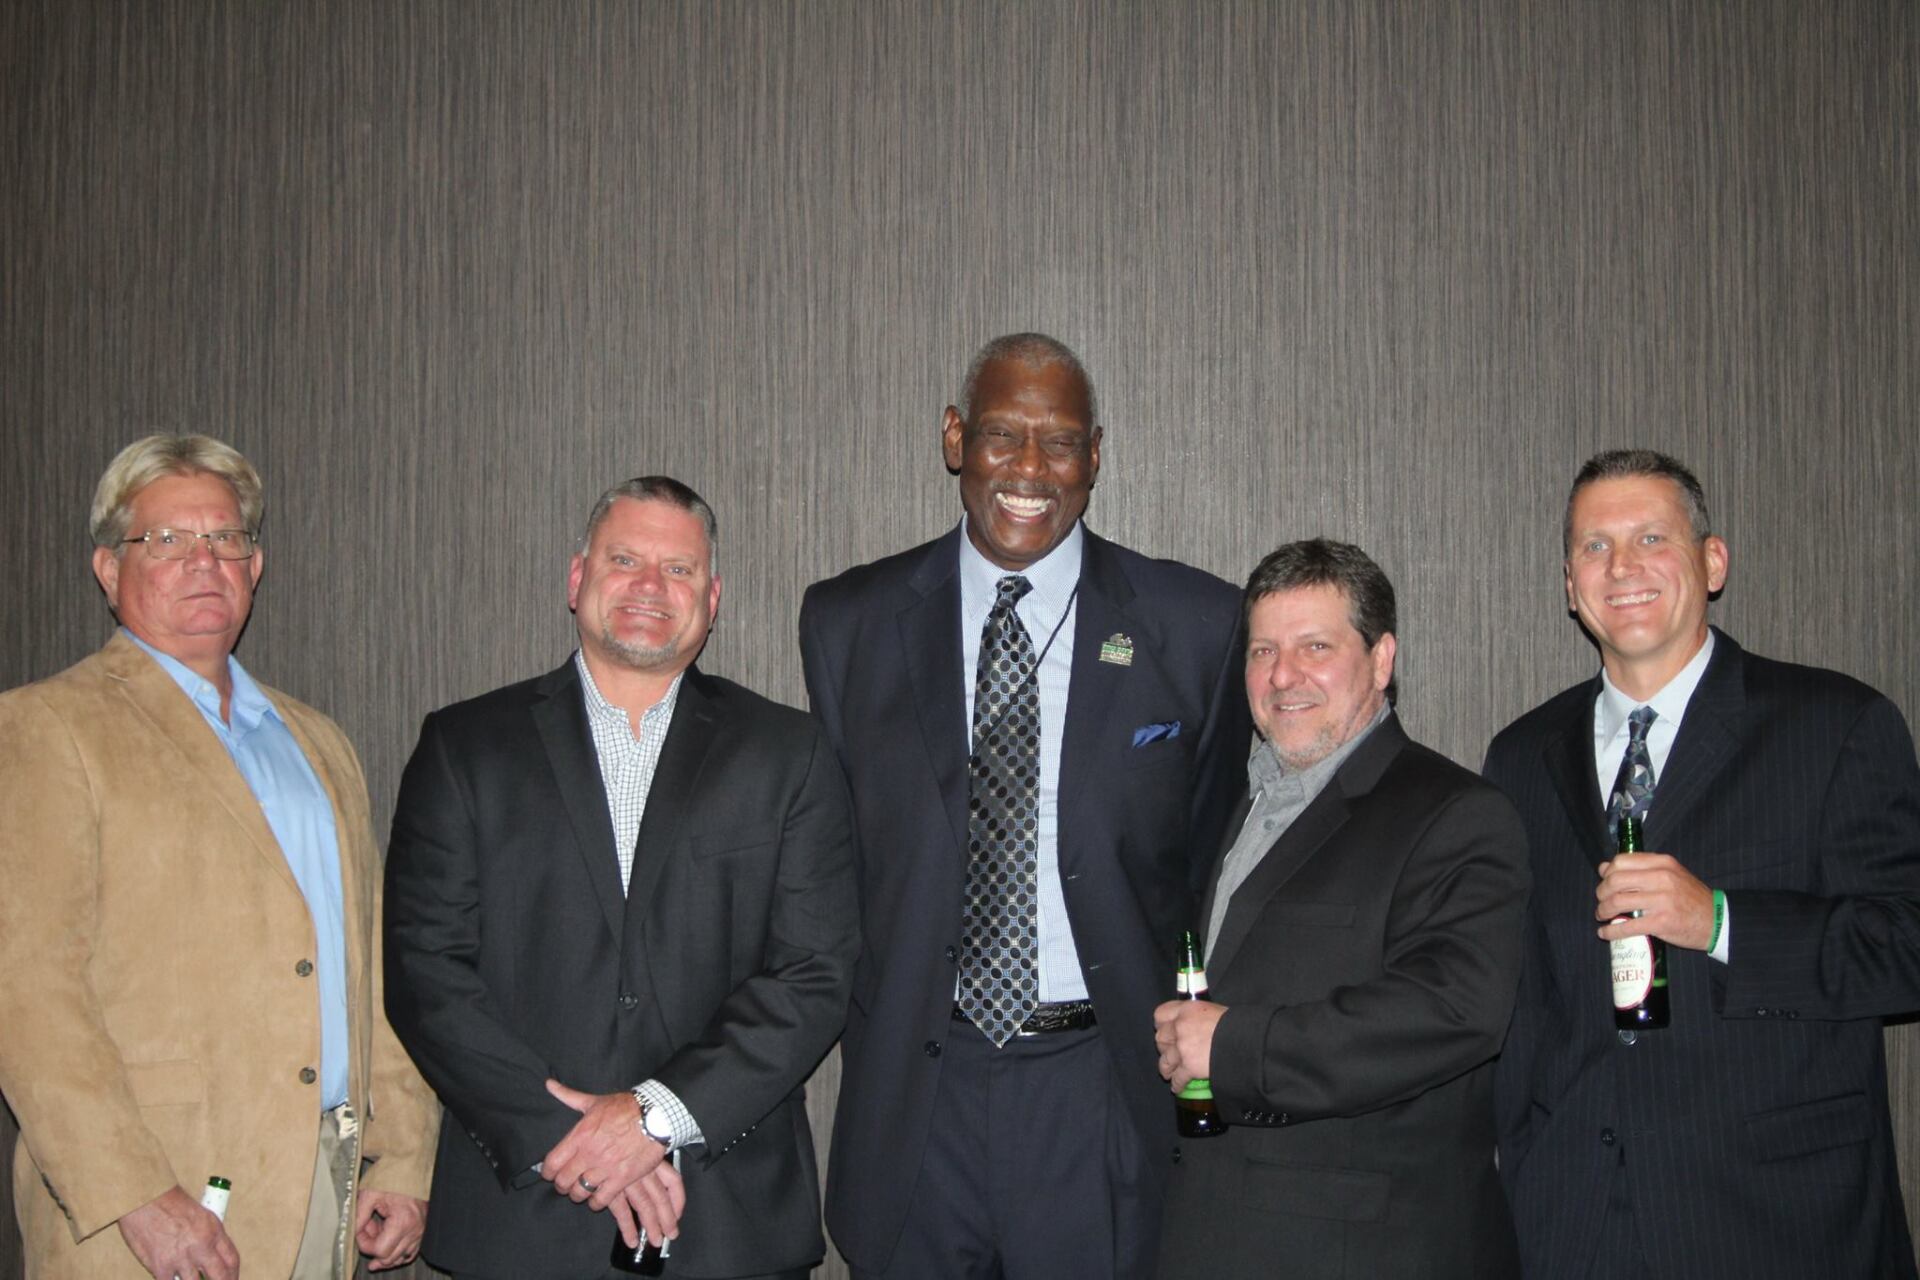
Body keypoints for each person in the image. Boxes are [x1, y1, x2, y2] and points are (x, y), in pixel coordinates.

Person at [800, 333, 1252, 1278]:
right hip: (920, 1092)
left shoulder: (1195, 626)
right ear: (955, 438)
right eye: (1005, 435)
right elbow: (840, 861)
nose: (1031, 470)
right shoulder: (850, 623)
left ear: (1096, 455)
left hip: (1102, 1086)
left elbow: (1206, 855)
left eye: (1062, 442)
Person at [382, 475, 858, 1280]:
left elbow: (815, 974)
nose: (649, 586)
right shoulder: (465, 747)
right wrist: (566, 1137)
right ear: (577, 579)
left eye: (677, 570)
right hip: (522, 1215)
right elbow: (423, 972)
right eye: (626, 559)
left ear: (712, 599)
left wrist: (654, 1119)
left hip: (726, 1217)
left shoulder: (789, 754)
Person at [0, 434, 437, 1280]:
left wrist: (407, 1154)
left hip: (329, 1185)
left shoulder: (319, 742)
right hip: (157, 1206)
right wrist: (136, 1195)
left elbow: (373, 964)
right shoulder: (46, 729)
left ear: (256, 564)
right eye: (166, 541)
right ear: (107, 568)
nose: (204, 562)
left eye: (226, 539)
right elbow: (26, 991)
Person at [1485, 448, 1920, 1278]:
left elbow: (1906, 945)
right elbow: (1522, 1000)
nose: (1623, 567)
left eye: (1652, 537)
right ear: (1569, 587)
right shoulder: (1520, 757)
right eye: (1594, 547)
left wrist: (1719, 921)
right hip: (1570, 1222)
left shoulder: (1837, 726)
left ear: (1712, 562)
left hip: (1777, 1224)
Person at [1151, 538, 1526, 1279]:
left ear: (1381, 660)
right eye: (1262, 651)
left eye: (1314, 646)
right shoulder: (1239, 804)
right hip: (1218, 1231)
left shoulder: (1455, 814)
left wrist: (1234, 1048)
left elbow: (1454, 1011)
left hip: (1362, 1250)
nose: (1282, 675)